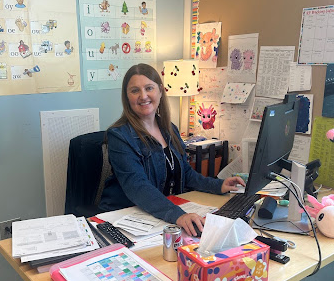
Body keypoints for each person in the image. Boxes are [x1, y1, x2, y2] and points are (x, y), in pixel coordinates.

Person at [99, 63, 245, 236]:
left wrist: (219, 185)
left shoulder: (169, 129)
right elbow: (137, 186)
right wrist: (178, 215)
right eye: (135, 90)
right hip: (126, 218)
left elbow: (186, 173)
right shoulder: (119, 136)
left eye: (149, 88)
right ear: (127, 97)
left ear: (160, 91)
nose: (143, 96)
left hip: (160, 215)